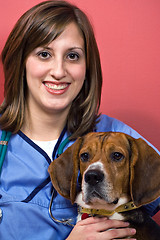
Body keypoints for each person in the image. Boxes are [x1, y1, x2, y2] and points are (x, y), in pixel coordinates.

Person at [0, 1, 159, 239]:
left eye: (73, 56)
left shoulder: (117, 135)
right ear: (20, 62)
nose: (58, 70)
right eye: (44, 54)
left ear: (87, 68)